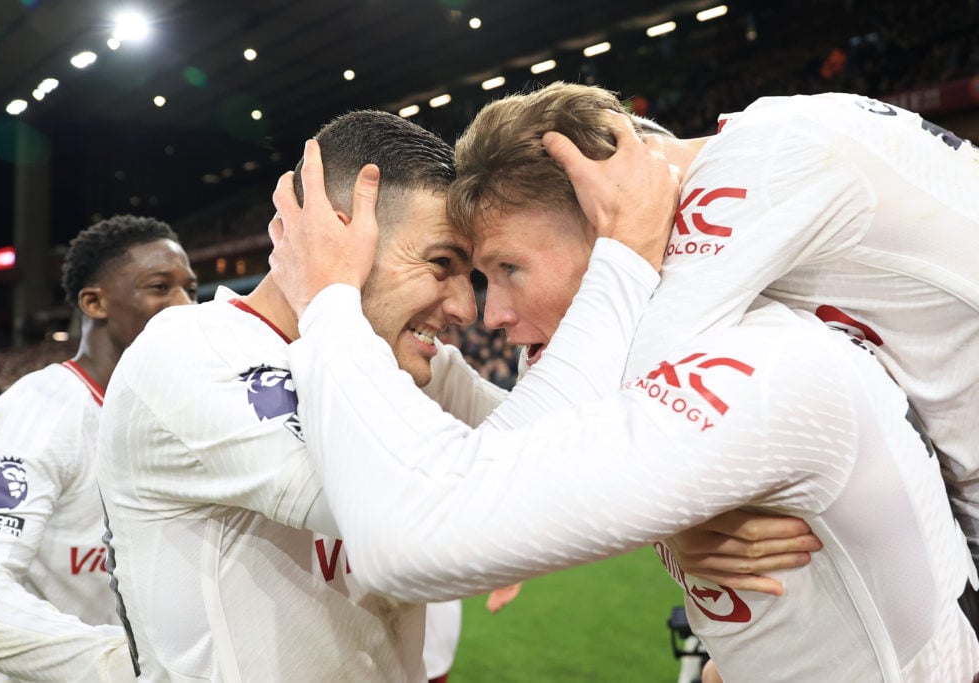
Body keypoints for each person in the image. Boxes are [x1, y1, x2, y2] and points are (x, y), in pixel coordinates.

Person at [266, 98, 979, 680]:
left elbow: (462, 506)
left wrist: (332, 301)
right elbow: (555, 445)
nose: (494, 315)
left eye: (505, 267)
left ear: (606, 208)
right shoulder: (765, 263)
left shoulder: (760, 186)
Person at [96, 111, 586, 681]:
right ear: (335, 233)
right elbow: (411, 511)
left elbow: (576, 454)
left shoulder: (409, 366)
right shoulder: (192, 352)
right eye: (441, 264)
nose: (466, 309)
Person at [0, 215, 197, 682]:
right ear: (94, 301)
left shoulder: (167, 414)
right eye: (160, 287)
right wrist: (118, 666)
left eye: (190, 288)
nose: (185, 305)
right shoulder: (39, 412)